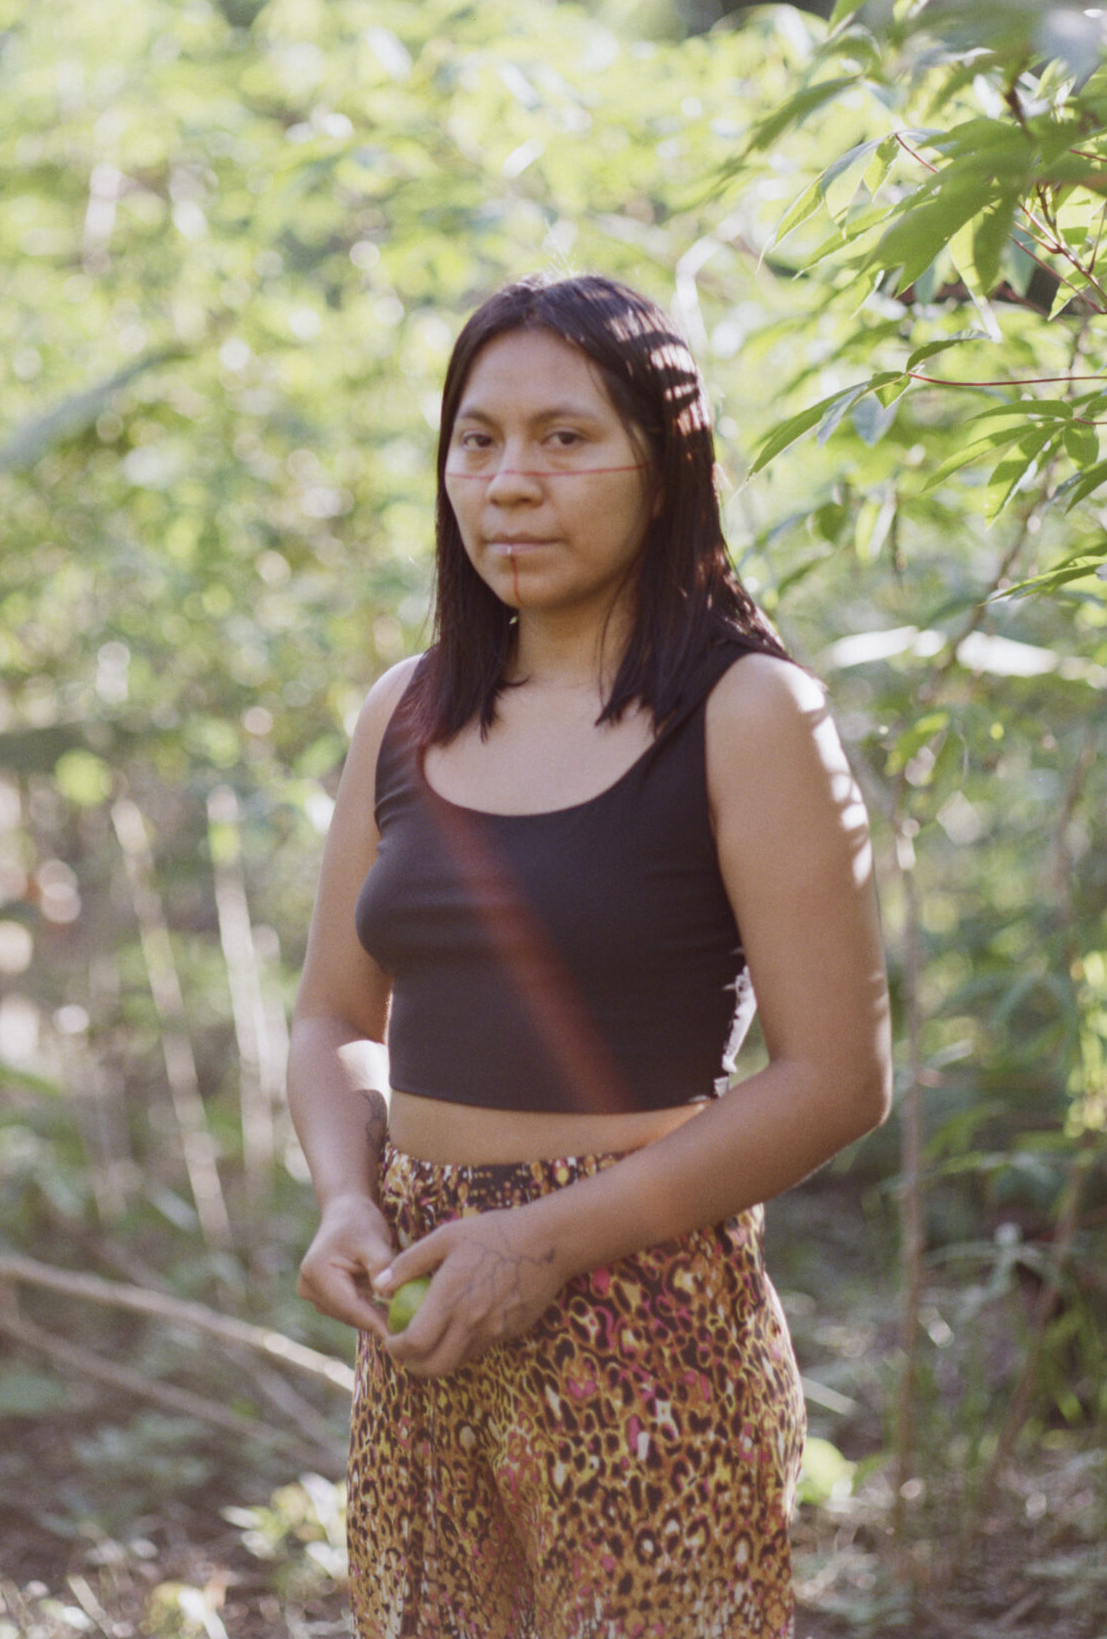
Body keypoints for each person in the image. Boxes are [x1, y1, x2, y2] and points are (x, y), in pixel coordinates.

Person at [288, 271, 893, 1639]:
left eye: (565, 438)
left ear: (666, 463)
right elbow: (332, 1013)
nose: (510, 481)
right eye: (477, 438)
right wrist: (345, 1195)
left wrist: (545, 1239)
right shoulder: (405, 710)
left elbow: (839, 1077)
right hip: (429, 1318)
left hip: (650, 1320)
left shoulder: (749, 712)